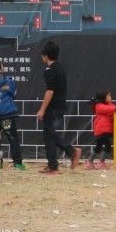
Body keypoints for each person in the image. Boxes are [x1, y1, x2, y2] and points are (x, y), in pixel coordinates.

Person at [36, 41, 81, 175]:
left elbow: (50, 91)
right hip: (60, 106)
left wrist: (42, 109)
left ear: (45, 56)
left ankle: (56, 164)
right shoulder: (60, 68)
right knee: (50, 135)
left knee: (49, 137)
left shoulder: (49, 70)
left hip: (52, 108)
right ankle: (67, 155)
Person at [86, 91, 116, 170]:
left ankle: (90, 162)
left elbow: (114, 107)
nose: (110, 97)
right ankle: (100, 162)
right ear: (103, 98)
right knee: (107, 146)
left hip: (105, 131)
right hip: (101, 131)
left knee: (98, 147)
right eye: (109, 96)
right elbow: (108, 109)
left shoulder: (109, 105)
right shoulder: (99, 106)